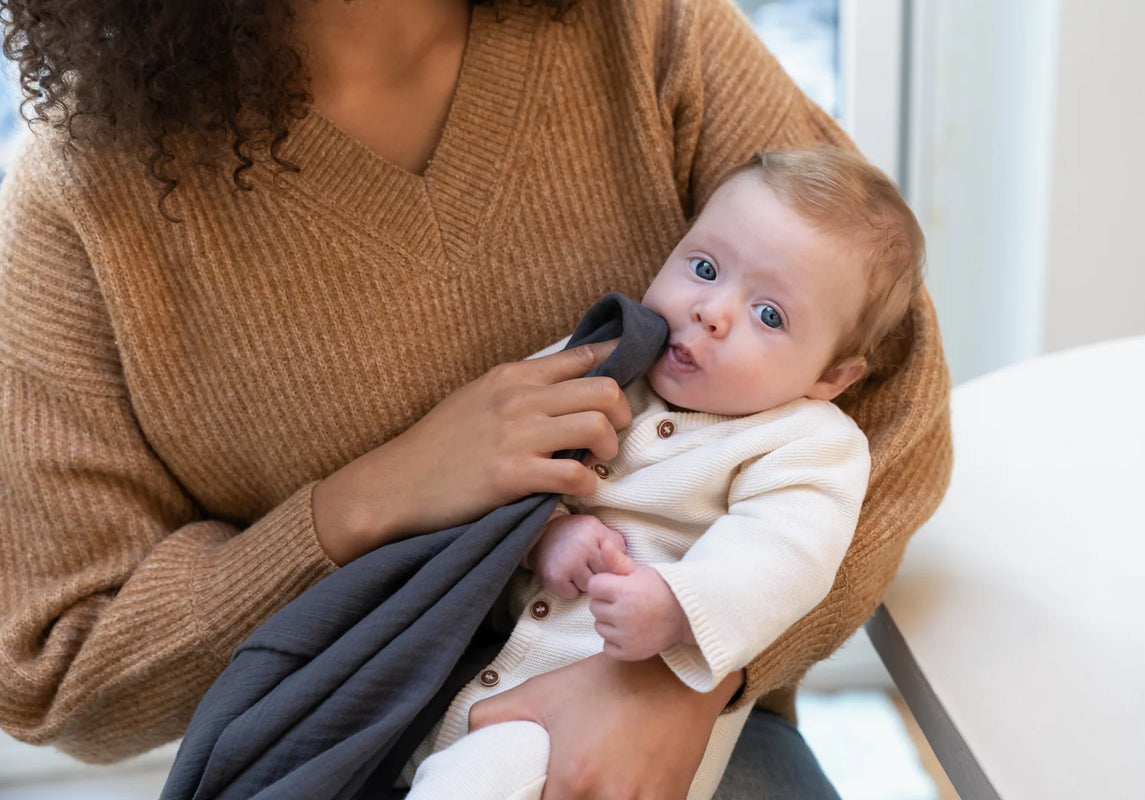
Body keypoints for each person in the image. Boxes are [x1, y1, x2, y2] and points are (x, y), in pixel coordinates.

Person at [0, 1, 951, 798]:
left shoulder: (643, 27)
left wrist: (688, 677)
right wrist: (369, 504)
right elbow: (57, 660)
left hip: (677, 743)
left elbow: (894, 406)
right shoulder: (82, 193)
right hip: (346, 753)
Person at [403, 146, 921, 800]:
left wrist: (680, 604)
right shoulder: (610, 364)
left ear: (830, 377)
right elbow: (500, 472)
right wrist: (548, 534)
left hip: (624, 727)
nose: (712, 311)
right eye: (703, 268)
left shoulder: (806, 441)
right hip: (493, 683)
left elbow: (787, 555)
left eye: (769, 315)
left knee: (465, 783)